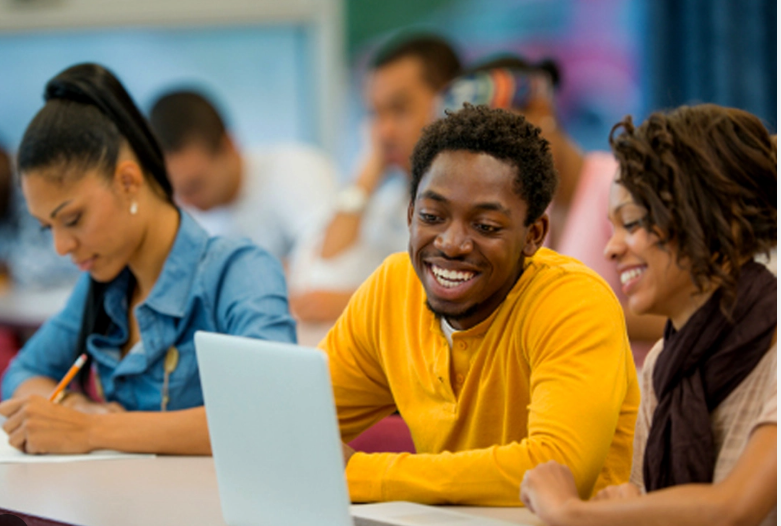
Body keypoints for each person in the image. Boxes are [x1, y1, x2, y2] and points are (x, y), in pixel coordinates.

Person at [323, 104, 639, 505]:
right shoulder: (392, 287)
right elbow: (288, 418)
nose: (451, 243)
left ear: (534, 233)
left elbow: (558, 468)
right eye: (432, 216)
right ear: (410, 215)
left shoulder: (574, 303)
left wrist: (365, 474)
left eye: (485, 226)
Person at [0, 63, 296, 455]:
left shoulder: (238, 272)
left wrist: (93, 430)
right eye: (46, 227)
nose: (60, 246)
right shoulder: (105, 286)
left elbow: (272, 414)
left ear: (128, 181)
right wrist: (74, 407)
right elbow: (22, 372)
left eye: (73, 219)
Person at [520, 104, 776, 526]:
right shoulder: (663, 361)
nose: (611, 248)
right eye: (612, 226)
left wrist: (571, 511)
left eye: (633, 223)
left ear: (718, 220)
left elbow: (734, 509)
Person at [440, 55, 666, 364]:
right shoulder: (521, 213)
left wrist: (562, 317)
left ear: (541, 111)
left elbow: (680, 315)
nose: (492, 162)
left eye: (498, 141)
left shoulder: (621, 185)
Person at [288, 33, 462, 322]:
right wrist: (366, 174)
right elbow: (319, 277)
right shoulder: (393, 201)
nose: (383, 132)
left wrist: (358, 303)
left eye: (399, 109)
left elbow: (459, 301)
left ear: (451, 104)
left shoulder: (477, 201)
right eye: (375, 114)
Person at [148, 90, 338, 264]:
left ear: (229, 146)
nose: (187, 202)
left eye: (195, 186)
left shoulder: (297, 170)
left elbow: (332, 259)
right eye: (177, 192)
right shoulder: (184, 219)